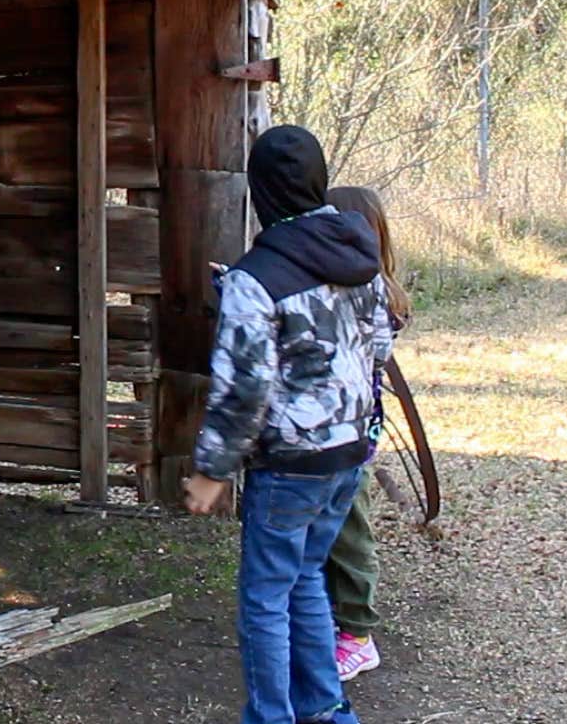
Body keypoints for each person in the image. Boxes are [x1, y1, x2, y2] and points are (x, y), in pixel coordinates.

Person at [184, 126, 395, 724]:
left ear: (261, 190)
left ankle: (271, 718)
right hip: (350, 452)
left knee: (265, 598)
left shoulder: (257, 277)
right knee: (305, 577)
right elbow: (380, 345)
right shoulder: (359, 251)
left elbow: (243, 388)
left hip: (291, 465)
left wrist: (211, 472)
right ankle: (326, 710)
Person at [321, 186, 414, 683]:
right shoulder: (369, 289)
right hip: (344, 428)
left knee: (351, 532)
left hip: (352, 433)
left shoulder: (374, 296)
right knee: (333, 528)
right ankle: (336, 622)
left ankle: (358, 635)